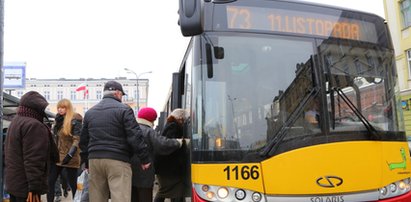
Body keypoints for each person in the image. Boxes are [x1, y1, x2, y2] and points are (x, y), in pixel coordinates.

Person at [79, 80, 151, 202]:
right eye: (122, 95)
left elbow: (83, 140)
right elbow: (134, 136)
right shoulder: (124, 110)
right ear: (117, 93)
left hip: (95, 160)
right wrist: (144, 159)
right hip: (118, 159)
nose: (122, 98)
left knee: (97, 198)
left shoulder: (90, 112)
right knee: (120, 197)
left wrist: (86, 162)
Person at [4, 91, 59, 202]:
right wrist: (34, 188)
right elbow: (34, 160)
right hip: (27, 188)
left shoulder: (16, 122)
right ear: (37, 109)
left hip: (15, 184)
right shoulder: (34, 125)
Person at [131, 107, 183, 202]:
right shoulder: (148, 131)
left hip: (130, 170)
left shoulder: (131, 129)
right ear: (150, 119)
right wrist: (178, 142)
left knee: (133, 197)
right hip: (144, 171)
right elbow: (162, 144)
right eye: (154, 119)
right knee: (144, 197)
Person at [47, 98, 83, 202]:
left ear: (68, 108)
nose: (60, 110)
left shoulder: (75, 119)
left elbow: (77, 139)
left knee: (73, 184)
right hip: (58, 156)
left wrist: (70, 155)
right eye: (59, 107)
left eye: (63, 107)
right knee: (51, 181)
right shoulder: (58, 119)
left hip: (70, 157)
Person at [154, 108, 190, 202]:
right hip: (169, 167)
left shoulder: (170, 124)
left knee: (169, 191)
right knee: (167, 191)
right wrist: (183, 142)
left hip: (167, 167)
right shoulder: (173, 126)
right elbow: (170, 143)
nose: (184, 122)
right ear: (180, 118)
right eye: (184, 119)